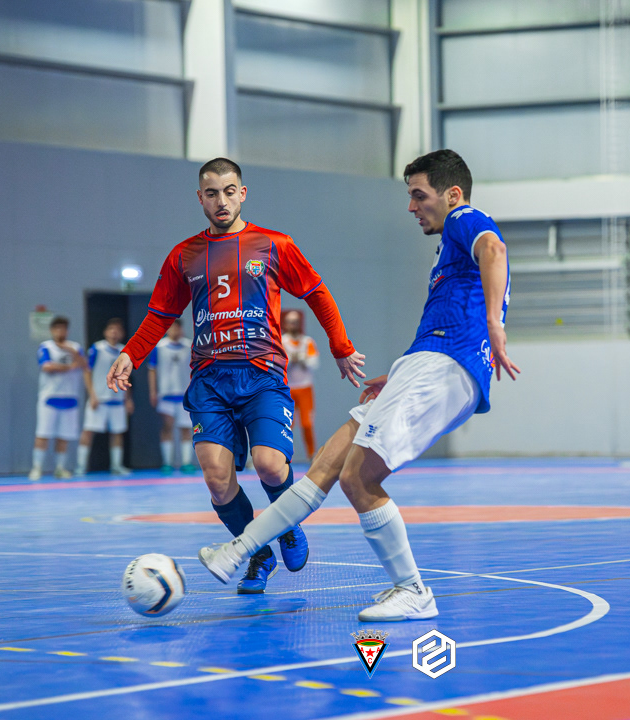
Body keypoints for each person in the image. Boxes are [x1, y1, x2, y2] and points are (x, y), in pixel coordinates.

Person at [198, 149, 519, 622]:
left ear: (452, 194)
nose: (411, 206)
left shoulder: (463, 219)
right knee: (326, 465)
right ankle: (237, 550)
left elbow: (494, 250)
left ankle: (413, 591)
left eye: (419, 195)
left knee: (359, 476)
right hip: (426, 363)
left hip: (446, 366)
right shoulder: (450, 244)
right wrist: (401, 371)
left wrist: (494, 324)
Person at [106, 157, 366, 595]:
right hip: (210, 380)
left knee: (269, 464)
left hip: (262, 374)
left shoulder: (274, 244)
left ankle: (287, 527)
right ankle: (258, 554)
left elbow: (317, 293)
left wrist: (340, 347)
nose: (221, 201)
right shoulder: (184, 255)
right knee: (216, 477)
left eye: (229, 191)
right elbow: (160, 315)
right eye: (212, 193)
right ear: (200, 198)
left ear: (242, 193)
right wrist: (131, 353)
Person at [29, 316, 86, 481]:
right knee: (43, 433)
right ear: (52, 330)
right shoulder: (46, 347)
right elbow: (47, 367)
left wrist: (70, 351)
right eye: (57, 328)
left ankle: (60, 468)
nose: (61, 332)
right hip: (49, 397)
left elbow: (84, 364)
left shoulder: (75, 347)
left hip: (70, 398)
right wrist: (69, 367)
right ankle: (37, 468)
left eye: (64, 328)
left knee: (64, 435)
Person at [77, 318, 134, 476]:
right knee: (88, 431)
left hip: (117, 400)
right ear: (105, 332)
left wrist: (128, 399)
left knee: (117, 433)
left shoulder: (125, 351)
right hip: (99, 399)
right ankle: (80, 466)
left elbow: (127, 377)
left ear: (122, 333)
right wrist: (92, 395)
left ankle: (116, 466)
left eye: (118, 330)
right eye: (111, 329)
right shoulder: (97, 348)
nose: (114, 332)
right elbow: (87, 371)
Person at [148, 319, 195, 473]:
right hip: (166, 394)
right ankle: (167, 462)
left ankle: (186, 462)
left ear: (181, 329)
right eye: (172, 328)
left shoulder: (189, 346)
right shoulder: (159, 347)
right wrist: (153, 391)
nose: (174, 331)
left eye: (177, 328)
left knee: (186, 428)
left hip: (184, 394)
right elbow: (152, 370)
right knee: (167, 427)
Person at [281, 309, 319, 460]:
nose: (293, 325)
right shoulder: (282, 341)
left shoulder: (307, 342)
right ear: (285, 324)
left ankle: (312, 454)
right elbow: (279, 363)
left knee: (307, 424)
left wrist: (300, 358)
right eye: (290, 322)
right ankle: (285, 455)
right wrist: (292, 359)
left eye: (296, 322)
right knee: (287, 424)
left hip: (305, 388)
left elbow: (314, 362)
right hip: (288, 389)